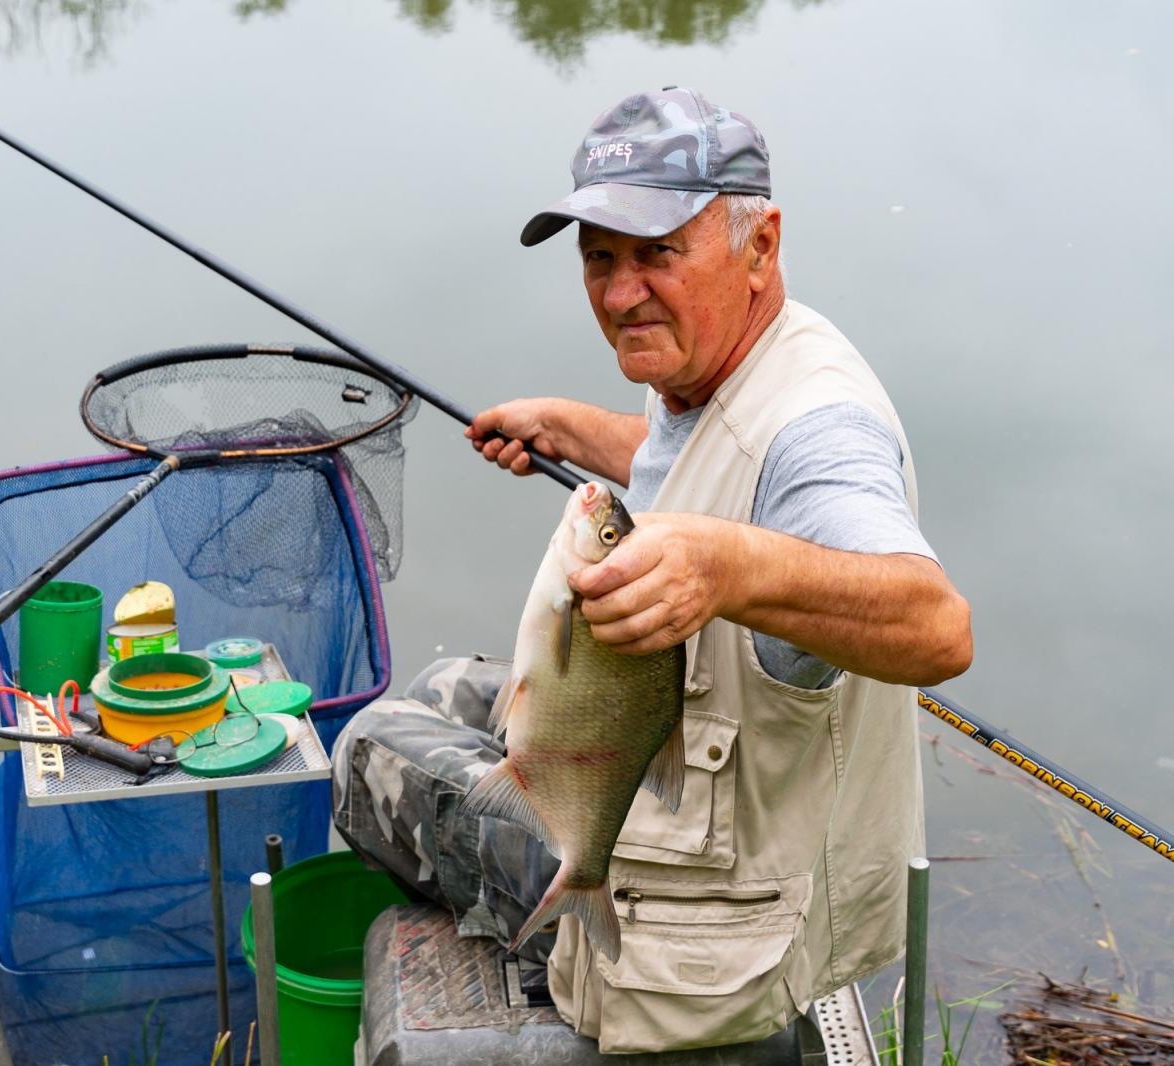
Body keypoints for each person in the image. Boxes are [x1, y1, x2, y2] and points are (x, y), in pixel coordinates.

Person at [330, 87, 973, 1056]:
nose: (621, 292)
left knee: (369, 747)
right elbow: (704, 456)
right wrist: (575, 427)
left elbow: (937, 627)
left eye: (656, 254)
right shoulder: (736, 361)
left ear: (760, 245)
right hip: (705, 767)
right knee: (437, 688)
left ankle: (563, 903)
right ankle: (552, 882)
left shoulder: (820, 434)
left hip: (724, 905)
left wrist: (728, 564)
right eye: (600, 258)